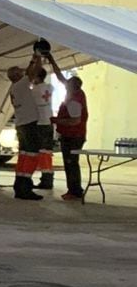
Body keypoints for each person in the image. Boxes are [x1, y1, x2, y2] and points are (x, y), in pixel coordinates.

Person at [46, 54, 88, 201]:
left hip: (73, 136)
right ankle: (74, 190)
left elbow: (75, 121)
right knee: (71, 163)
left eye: (68, 84)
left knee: (71, 163)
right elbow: (60, 77)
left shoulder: (74, 101)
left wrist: (56, 120)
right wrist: (50, 59)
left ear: (72, 87)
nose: (65, 84)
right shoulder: (76, 93)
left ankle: (75, 191)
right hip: (73, 135)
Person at [7, 58, 43, 201]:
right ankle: (26, 188)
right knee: (32, 155)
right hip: (29, 124)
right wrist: (37, 57)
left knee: (23, 156)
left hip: (22, 124)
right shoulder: (21, 84)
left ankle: (20, 187)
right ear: (16, 76)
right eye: (19, 72)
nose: (22, 73)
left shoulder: (13, 89)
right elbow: (34, 71)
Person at [31, 66, 55, 191]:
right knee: (47, 152)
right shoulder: (50, 87)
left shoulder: (35, 90)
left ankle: (46, 180)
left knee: (42, 152)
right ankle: (48, 177)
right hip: (49, 122)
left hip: (40, 123)